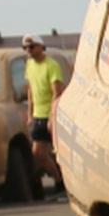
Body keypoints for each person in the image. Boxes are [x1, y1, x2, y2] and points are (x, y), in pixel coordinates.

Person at [21, 33, 65, 189]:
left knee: (57, 151)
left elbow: (57, 93)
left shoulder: (51, 65)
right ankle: (59, 180)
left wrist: (52, 117)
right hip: (38, 115)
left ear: (41, 47)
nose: (29, 50)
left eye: (32, 47)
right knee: (38, 153)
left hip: (50, 113)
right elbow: (31, 90)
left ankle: (63, 181)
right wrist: (30, 113)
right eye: (25, 48)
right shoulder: (29, 65)